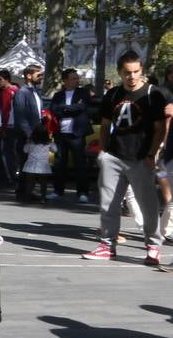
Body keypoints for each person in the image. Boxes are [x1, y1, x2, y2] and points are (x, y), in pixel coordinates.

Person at [84, 51, 168, 265]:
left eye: (136, 71)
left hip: (141, 157)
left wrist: (152, 154)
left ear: (142, 71)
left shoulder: (152, 94)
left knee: (147, 205)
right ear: (120, 72)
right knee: (108, 204)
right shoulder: (112, 94)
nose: (132, 76)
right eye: (127, 72)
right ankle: (107, 245)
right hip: (113, 155)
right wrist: (103, 152)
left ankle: (153, 246)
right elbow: (104, 125)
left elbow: (160, 128)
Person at [49, 68, 91, 203]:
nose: (76, 80)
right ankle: (58, 191)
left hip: (77, 133)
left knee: (80, 163)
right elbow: (54, 110)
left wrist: (64, 108)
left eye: (77, 78)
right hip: (61, 133)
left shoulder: (83, 93)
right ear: (65, 80)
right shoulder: (58, 95)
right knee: (59, 163)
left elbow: (82, 107)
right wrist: (70, 108)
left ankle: (83, 192)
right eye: (73, 78)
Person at [10, 65, 45, 202]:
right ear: (29, 76)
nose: (41, 77)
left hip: (37, 134)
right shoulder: (22, 93)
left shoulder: (36, 92)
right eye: (38, 74)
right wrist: (29, 134)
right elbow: (20, 116)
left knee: (33, 163)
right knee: (25, 163)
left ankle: (29, 191)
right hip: (27, 135)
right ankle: (23, 192)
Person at [0, 70, 19, 187]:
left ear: (7, 79)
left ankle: (10, 177)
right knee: (14, 153)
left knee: (7, 154)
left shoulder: (7, 92)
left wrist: (2, 128)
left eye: (0, 79)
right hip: (16, 126)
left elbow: (5, 111)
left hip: (8, 127)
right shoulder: (17, 90)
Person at [20, 125, 56, 203]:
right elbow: (55, 150)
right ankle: (43, 198)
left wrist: (27, 142)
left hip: (31, 165)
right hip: (43, 166)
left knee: (29, 182)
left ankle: (27, 198)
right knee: (43, 183)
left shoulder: (30, 143)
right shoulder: (48, 143)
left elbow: (25, 150)